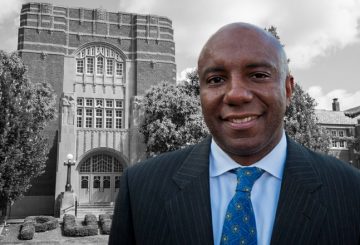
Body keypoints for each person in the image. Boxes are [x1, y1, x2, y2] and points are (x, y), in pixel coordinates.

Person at [109, 22, 360, 245]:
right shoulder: (141, 189)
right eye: (216, 79)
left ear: (287, 89)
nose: (236, 94)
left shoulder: (350, 192)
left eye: (258, 75)